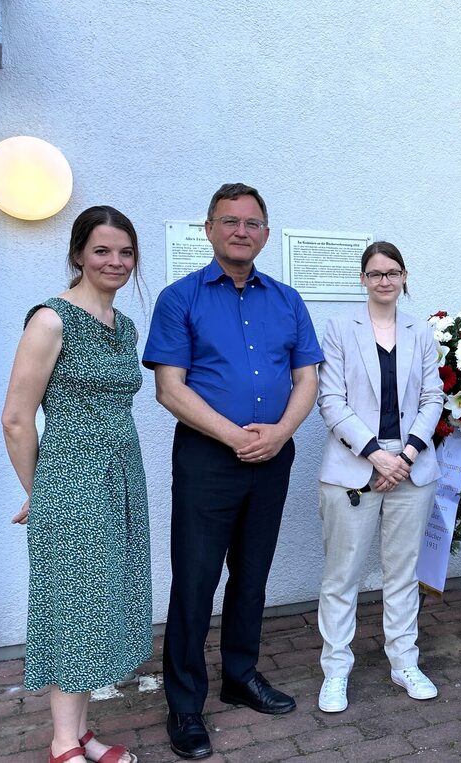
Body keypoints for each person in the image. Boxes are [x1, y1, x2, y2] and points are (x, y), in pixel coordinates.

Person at [143, 183, 323, 760]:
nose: (241, 230)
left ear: (266, 234)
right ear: (210, 229)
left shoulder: (288, 300)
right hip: (207, 460)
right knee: (195, 581)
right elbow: (170, 389)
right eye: (230, 221)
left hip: (272, 457)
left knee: (252, 575)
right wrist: (233, 437)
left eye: (252, 222)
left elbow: (307, 379)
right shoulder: (180, 298)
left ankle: (241, 676)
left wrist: (279, 434)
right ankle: (185, 704)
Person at [2, 206, 150, 763]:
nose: (115, 262)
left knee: (102, 604)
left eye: (125, 252)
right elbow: (16, 418)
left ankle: (81, 732)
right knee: (75, 608)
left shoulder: (125, 325)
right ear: (78, 254)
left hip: (122, 478)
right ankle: (64, 745)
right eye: (102, 251)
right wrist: (42, 492)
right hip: (73, 480)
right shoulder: (51, 319)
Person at [314, 241, 444, 712]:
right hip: (353, 467)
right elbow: (330, 400)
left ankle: (403, 661)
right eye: (375, 273)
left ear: (404, 276)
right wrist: (375, 454)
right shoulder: (339, 328)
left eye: (392, 272)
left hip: (411, 467)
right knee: (341, 575)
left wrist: (405, 455)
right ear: (363, 279)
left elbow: (434, 397)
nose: (384, 280)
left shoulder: (420, 331)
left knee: (403, 573)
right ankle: (335, 669)